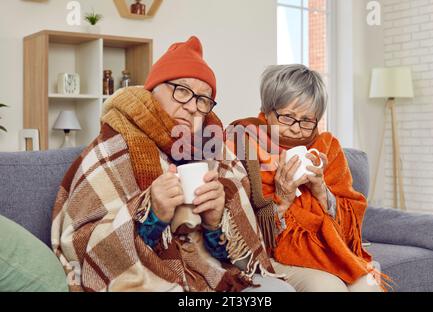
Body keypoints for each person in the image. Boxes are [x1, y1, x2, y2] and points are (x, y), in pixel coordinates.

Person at [51, 36, 294, 292]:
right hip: (147, 278)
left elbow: (236, 257)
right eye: (182, 91)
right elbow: (83, 244)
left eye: (203, 99)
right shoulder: (113, 146)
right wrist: (152, 216)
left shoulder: (218, 153)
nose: (192, 107)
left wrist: (214, 222)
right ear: (154, 91)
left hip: (211, 276)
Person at [227, 64, 389, 292]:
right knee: (329, 288)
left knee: (369, 284)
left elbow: (351, 218)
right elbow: (238, 225)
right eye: (287, 117)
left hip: (330, 248)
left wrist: (321, 191)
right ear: (267, 110)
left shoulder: (327, 148)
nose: (295, 129)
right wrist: (283, 197)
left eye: (306, 121)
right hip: (274, 254)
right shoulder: (243, 144)